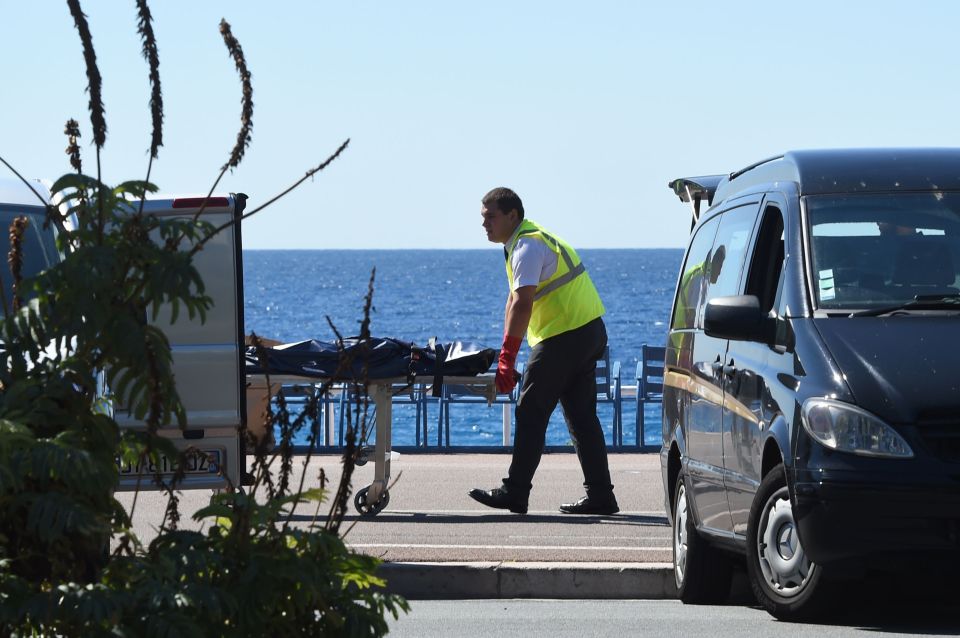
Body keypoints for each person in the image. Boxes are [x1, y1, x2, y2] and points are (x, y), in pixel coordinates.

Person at [468, 187, 619, 515]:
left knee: (531, 411)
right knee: (581, 417)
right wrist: (506, 352)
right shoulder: (524, 242)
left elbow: (522, 305)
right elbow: (513, 301)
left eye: (490, 217)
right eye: (483, 218)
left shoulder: (527, 245)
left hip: (563, 336)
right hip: (588, 331)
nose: (485, 225)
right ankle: (601, 495)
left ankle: (515, 491)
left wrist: (507, 358)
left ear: (512, 215)